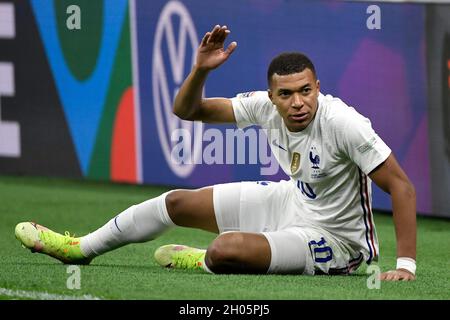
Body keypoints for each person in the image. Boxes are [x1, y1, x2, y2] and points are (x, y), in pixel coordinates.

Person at [15, 25, 417, 281]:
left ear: (317, 87)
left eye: (305, 91)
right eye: (286, 94)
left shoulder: (344, 123)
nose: (298, 102)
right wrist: (202, 70)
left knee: (226, 249)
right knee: (175, 203)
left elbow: (401, 187)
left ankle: (204, 260)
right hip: (291, 201)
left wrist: (404, 266)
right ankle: (80, 250)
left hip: (337, 242)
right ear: (272, 96)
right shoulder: (262, 106)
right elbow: (187, 110)